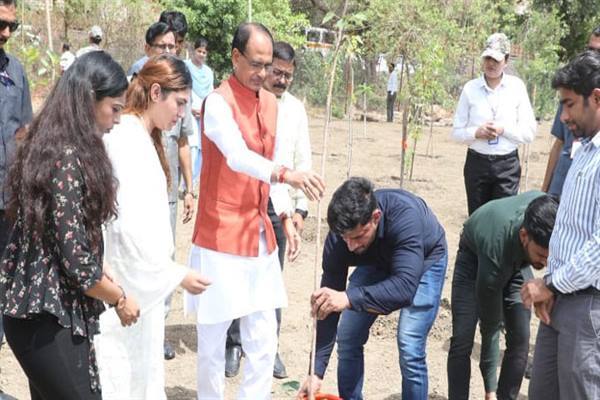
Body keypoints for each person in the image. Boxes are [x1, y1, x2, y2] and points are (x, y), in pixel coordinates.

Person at [185, 22, 324, 399]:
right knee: (212, 342)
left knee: (263, 339)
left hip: (259, 233)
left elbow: (268, 166)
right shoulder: (217, 102)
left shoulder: (270, 104)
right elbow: (237, 156)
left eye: (268, 66)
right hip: (220, 235)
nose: (264, 74)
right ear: (235, 57)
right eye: (256, 64)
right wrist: (287, 174)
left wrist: (285, 216)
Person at [0, 51, 140, 400]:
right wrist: (120, 298)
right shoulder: (66, 156)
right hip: (45, 319)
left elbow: (60, 234)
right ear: (88, 100)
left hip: (42, 316)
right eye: (114, 109)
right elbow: (77, 263)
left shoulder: (55, 146)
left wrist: (101, 268)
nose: (117, 120)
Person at [94, 54, 210, 400]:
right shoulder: (124, 139)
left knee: (140, 377)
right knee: (120, 377)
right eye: (179, 103)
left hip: (144, 287)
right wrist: (175, 275)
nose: (182, 114)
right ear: (156, 93)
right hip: (125, 286)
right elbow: (125, 230)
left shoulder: (144, 137)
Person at [298, 177, 447, 400]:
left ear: (375, 217)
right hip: (376, 261)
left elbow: (404, 289)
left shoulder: (405, 218)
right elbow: (327, 307)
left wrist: (348, 298)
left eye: (358, 236)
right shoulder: (340, 236)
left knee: (409, 344)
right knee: (348, 336)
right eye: (345, 238)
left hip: (424, 259)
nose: (351, 246)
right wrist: (316, 372)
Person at [224, 41, 311, 380]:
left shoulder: (296, 110)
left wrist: (300, 208)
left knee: (271, 279)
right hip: (245, 200)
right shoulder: (247, 101)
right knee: (238, 273)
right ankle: (234, 343)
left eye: (288, 75)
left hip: (280, 205)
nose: (281, 80)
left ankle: (269, 346)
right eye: (277, 72)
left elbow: (302, 157)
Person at [521, 50, 600, 400]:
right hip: (560, 299)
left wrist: (550, 283)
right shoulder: (584, 151)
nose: (563, 116)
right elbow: (569, 229)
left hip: (588, 307)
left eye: (569, 105)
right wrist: (552, 286)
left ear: (596, 98)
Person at [447, 192, 558, 400]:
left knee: (521, 337)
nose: (545, 263)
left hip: (517, 262)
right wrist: (490, 389)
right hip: (475, 260)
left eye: (550, 256)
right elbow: (490, 327)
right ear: (524, 236)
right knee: (462, 339)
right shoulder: (496, 251)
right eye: (542, 256)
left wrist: (549, 286)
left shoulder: (549, 213)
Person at [452, 33, 536, 215]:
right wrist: (476, 133)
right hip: (477, 163)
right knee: (477, 218)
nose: (491, 64)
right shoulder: (470, 89)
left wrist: (503, 129)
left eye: (496, 60)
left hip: (507, 165)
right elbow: (457, 132)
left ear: (506, 60)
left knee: (503, 218)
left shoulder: (516, 87)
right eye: (487, 58)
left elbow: (529, 132)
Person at [0, 0, 32, 352]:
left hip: (8, 196)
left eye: (13, 25)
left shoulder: (16, 71)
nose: (6, 33)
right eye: (1, 24)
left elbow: (25, 131)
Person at [541, 28, 600, 197]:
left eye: (599, 52)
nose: (593, 56)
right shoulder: (573, 95)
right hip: (562, 186)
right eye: (590, 50)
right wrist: (544, 190)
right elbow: (558, 143)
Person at [185, 37, 214, 189]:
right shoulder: (186, 67)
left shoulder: (208, 72)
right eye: (199, 51)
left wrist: (204, 110)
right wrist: (189, 108)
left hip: (203, 114)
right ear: (194, 51)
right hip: (188, 112)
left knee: (202, 148)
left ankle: (194, 182)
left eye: (204, 52)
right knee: (192, 147)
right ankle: (186, 184)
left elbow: (210, 93)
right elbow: (183, 89)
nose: (201, 54)